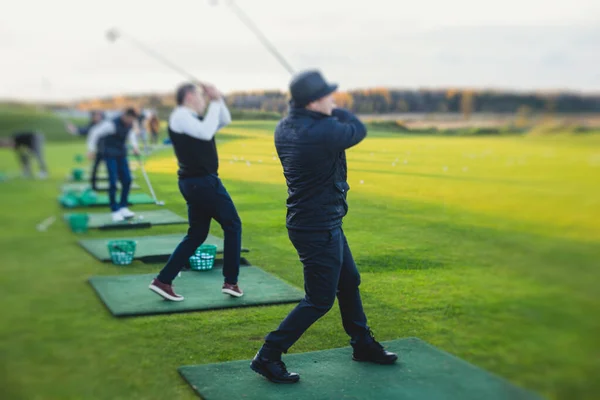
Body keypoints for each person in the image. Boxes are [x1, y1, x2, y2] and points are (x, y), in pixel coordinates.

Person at [251, 70, 397, 384]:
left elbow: (334, 124)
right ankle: (268, 354)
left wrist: (327, 110)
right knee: (319, 300)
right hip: (318, 226)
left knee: (349, 281)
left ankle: (362, 344)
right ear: (314, 101)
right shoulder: (323, 131)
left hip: (314, 221)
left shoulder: (285, 126)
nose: (333, 99)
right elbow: (357, 128)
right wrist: (339, 110)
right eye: (328, 96)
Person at [148, 83, 243, 301]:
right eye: (201, 97)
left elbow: (224, 120)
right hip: (202, 182)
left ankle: (163, 280)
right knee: (233, 225)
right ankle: (231, 281)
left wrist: (217, 99)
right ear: (190, 96)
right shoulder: (181, 116)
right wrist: (217, 102)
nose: (204, 101)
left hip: (195, 183)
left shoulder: (193, 119)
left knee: (198, 234)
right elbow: (206, 132)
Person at [87, 108, 140, 222]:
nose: (131, 121)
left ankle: (123, 207)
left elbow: (131, 136)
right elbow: (94, 132)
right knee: (113, 181)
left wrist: (135, 147)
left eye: (132, 119)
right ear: (125, 115)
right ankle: (114, 210)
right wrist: (91, 149)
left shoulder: (130, 124)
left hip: (121, 154)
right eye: (130, 119)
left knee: (127, 180)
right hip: (109, 154)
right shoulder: (110, 124)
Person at [66, 110, 105, 190]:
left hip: (108, 151)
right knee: (95, 169)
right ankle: (93, 186)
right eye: (95, 116)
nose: (97, 117)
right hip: (97, 151)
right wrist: (73, 129)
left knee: (113, 168)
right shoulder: (91, 126)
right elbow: (81, 131)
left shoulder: (106, 125)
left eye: (98, 115)